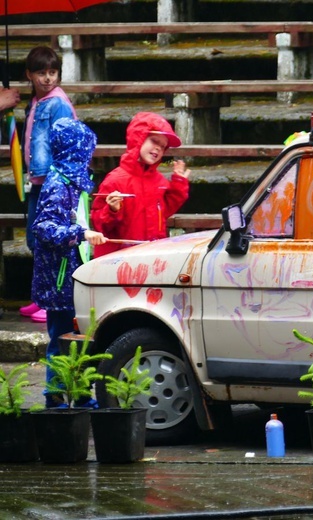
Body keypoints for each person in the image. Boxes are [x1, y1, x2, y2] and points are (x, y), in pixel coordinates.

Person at [31, 118, 107, 408]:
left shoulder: (75, 185)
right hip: (59, 280)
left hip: (74, 275)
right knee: (60, 340)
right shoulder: (57, 184)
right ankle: (54, 394)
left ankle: (80, 392)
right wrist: (80, 233)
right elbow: (44, 227)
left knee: (80, 338)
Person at [20, 46, 78, 323]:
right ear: (29, 75)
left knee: (52, 243)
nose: (47, 79)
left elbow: (67, 144)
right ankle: (40, 296)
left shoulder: (58, 103)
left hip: (53, 183)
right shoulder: (34, 102)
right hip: (37, 181)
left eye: (52, 73)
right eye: (41, 73)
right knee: (35, 239)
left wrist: (62, 181)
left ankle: (53, 300)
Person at [91, 111, 190, 257]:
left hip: (152, 255)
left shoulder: (159, 181)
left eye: (163, 147)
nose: (158, 148)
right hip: (119, 259)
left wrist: (179, 184)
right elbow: (100, 224)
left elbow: (166, 209)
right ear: (139, 138)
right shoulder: (115, 179)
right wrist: (112, 210)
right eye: (154, 141)